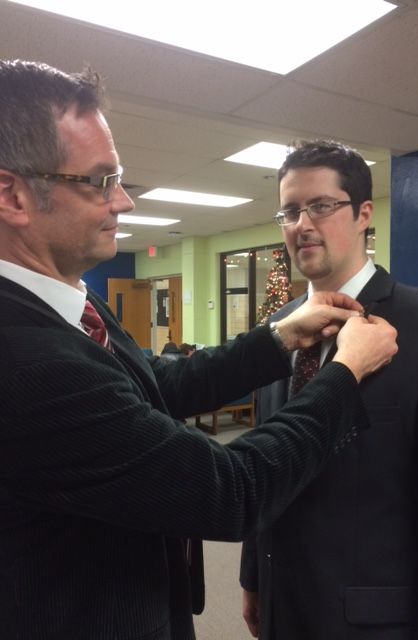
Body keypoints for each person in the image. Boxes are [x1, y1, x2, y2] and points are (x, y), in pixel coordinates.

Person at [0, 61, 397, 640]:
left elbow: (157, 384)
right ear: (12, 195)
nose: (123, 202)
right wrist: (346, 370)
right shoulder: (25, 361)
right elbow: (233, 489)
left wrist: (278, 336)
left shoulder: (72, 303)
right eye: (99, 181)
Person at [240, 139, 418, 639]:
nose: (302, 224)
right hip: (284, 607)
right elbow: (268, 457)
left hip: (375, 621)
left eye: (321, 206)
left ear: (363, 214)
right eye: (289, 211)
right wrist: (253, 577)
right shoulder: (278, 330)